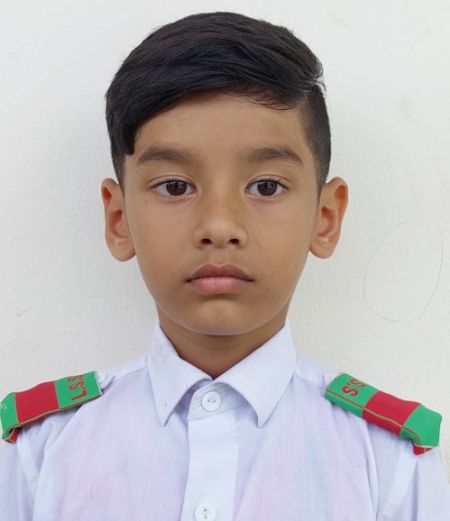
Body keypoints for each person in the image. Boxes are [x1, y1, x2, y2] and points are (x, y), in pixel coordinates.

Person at [1, 10, 449, 520]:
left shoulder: (390, 464)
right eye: (175, 186)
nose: (219, 225)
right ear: (119, 219)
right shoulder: (42, 451)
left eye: (266, 186)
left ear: (325, 218)